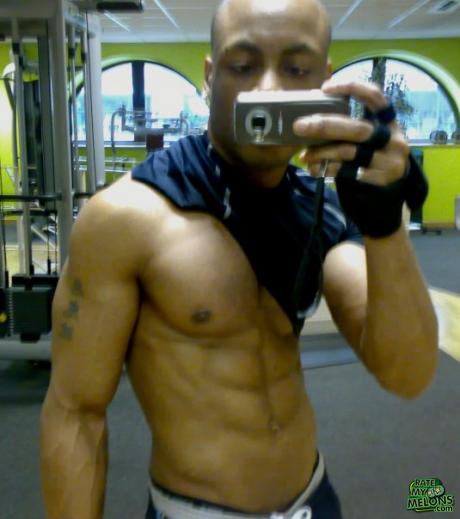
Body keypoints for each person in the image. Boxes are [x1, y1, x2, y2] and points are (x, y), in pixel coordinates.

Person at [40, 0, 438, 518]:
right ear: (210, 76)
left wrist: (386, 226)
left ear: (325, 80)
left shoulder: (318, 207)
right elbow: (75, 413)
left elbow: (407, 373)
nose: (268, 88)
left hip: (313, 500)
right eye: (243, 65)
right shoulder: (127, 218)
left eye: (296, 69)